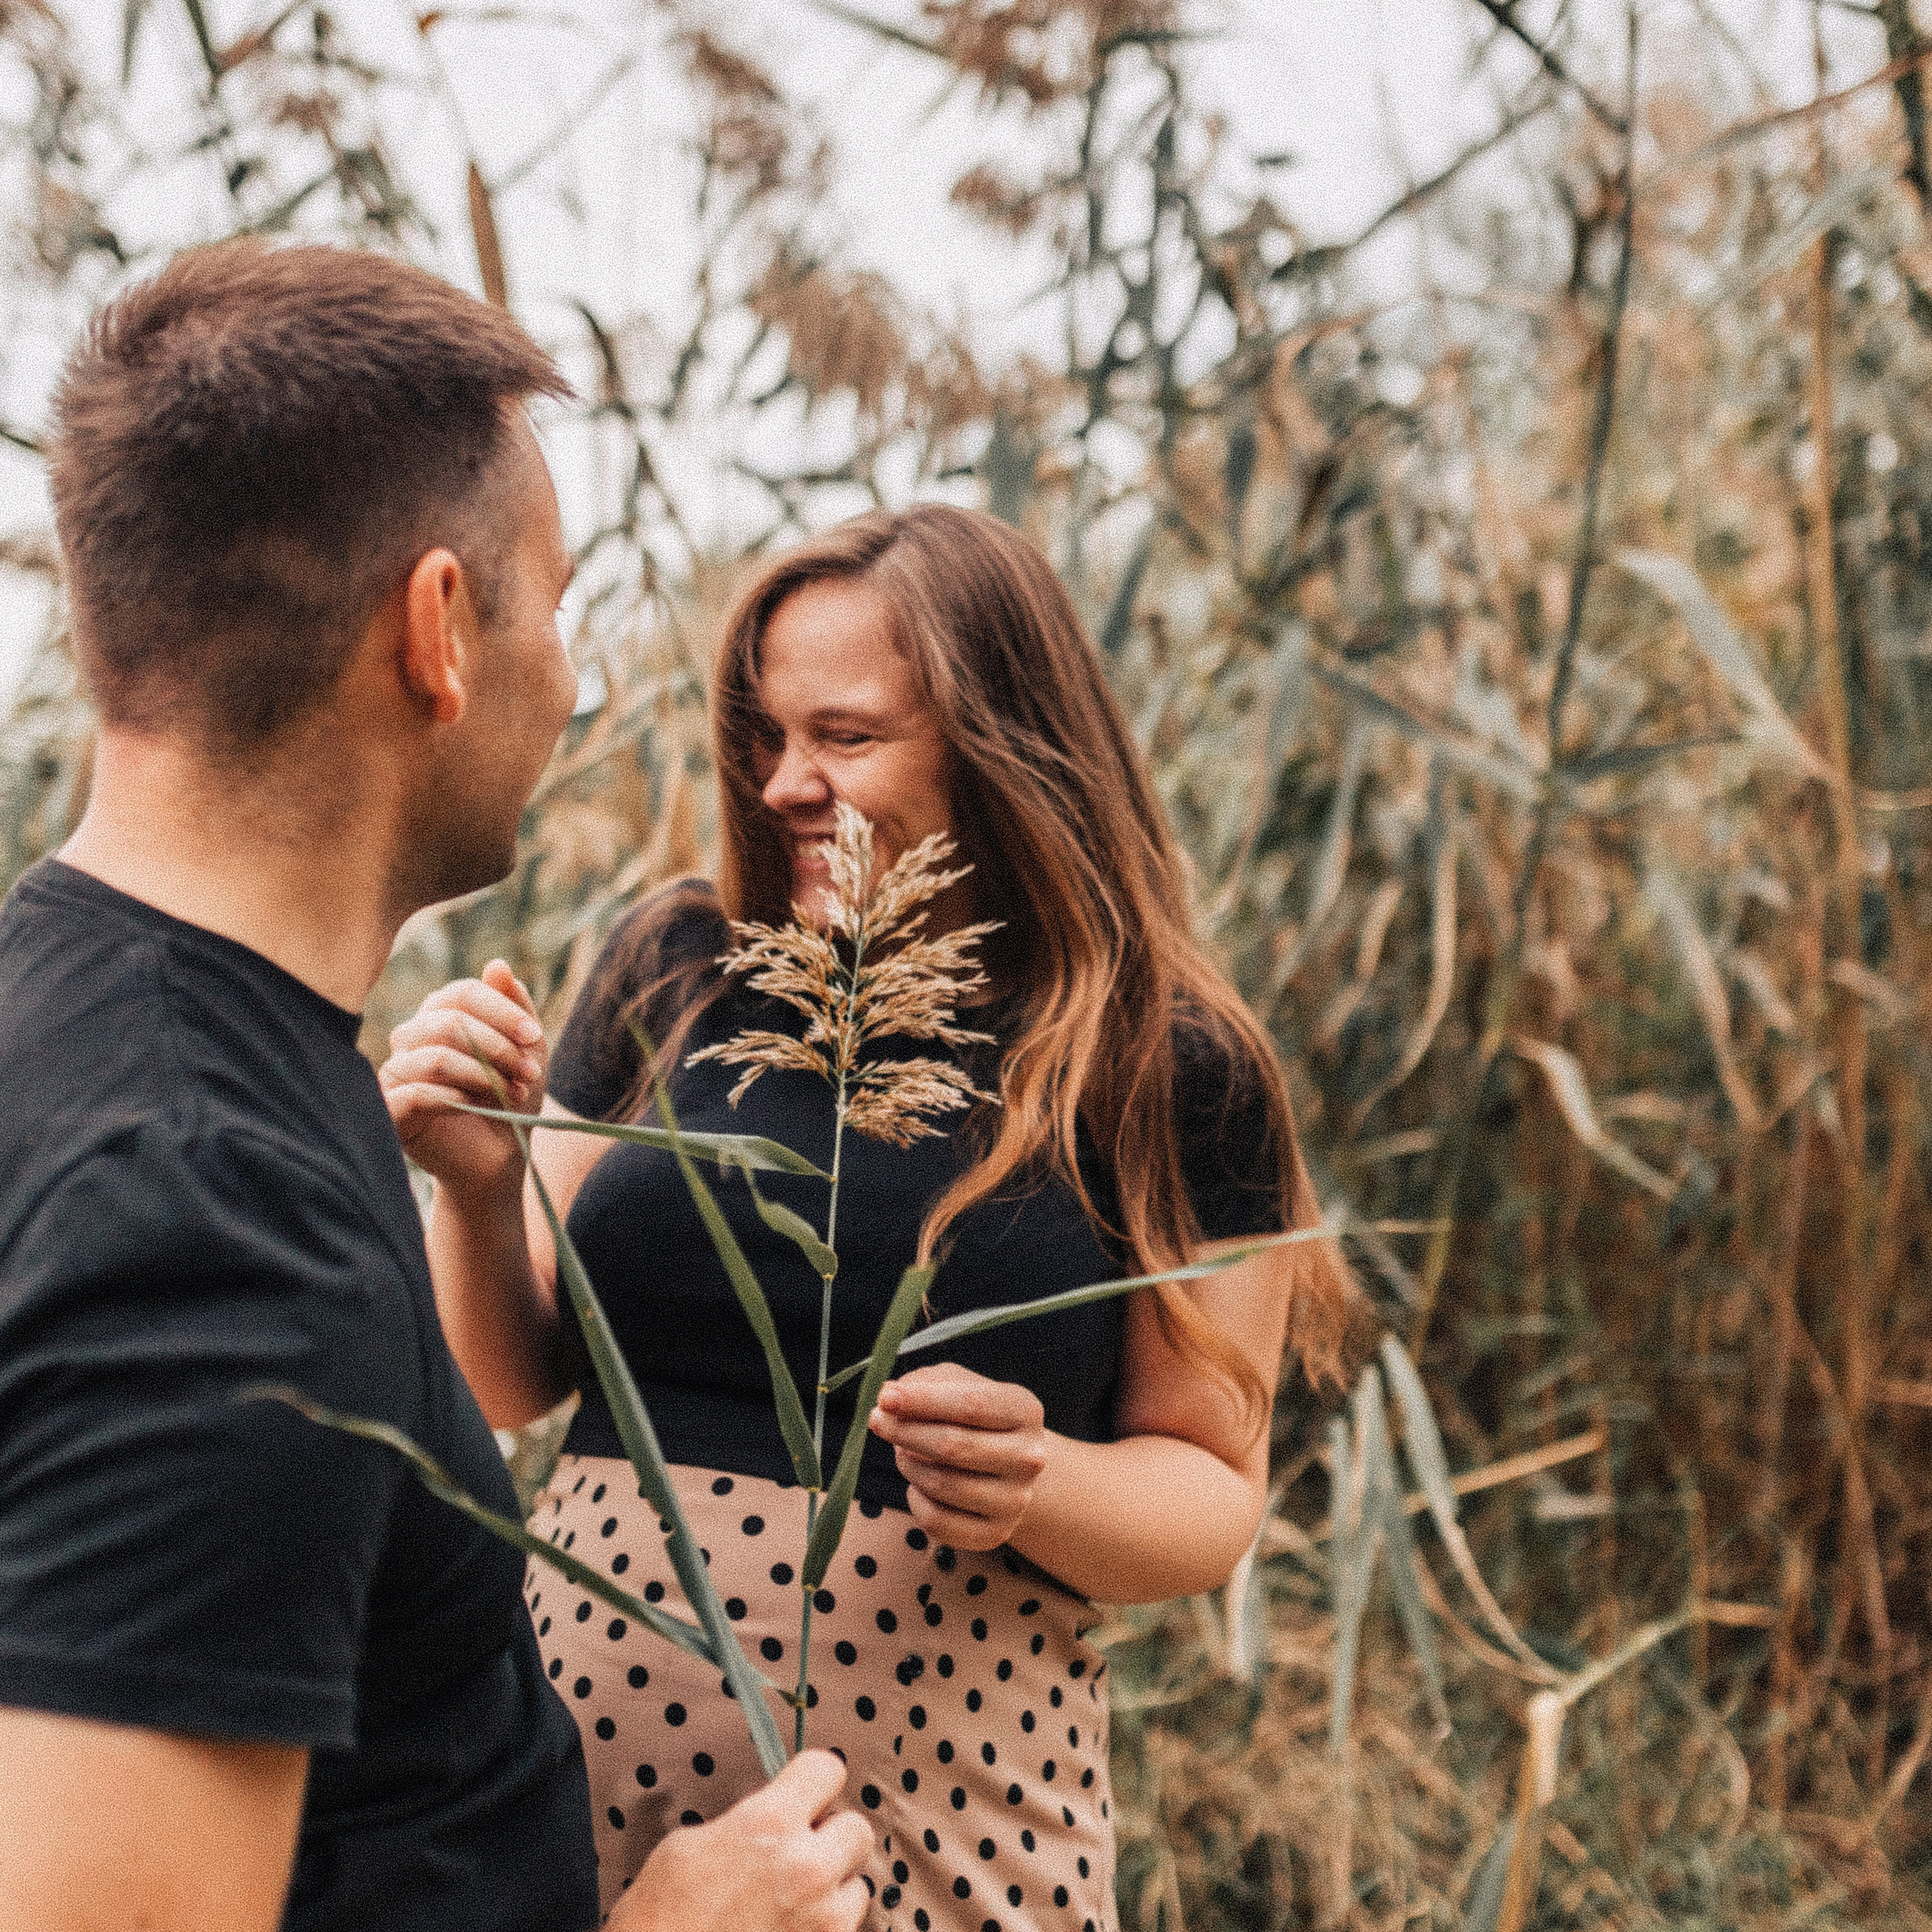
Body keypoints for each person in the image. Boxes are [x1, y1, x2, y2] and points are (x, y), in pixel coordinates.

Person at [0, 240, 872, 1932]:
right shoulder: (214, 1222)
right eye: (553, 605)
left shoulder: (103, 1021)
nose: (578, 677)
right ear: (440, 629)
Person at [384, 504, 1355, 1931]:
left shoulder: (1161, 1056)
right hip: (565, 1801)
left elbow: (1212, 1496)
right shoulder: (679, 964)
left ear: (1004, 742)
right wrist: (471, 1186)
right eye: (765, 736)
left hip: (937, 1826)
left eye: (843, 737)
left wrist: (1044, 1483)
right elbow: (506, 1376)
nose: (784, 783)